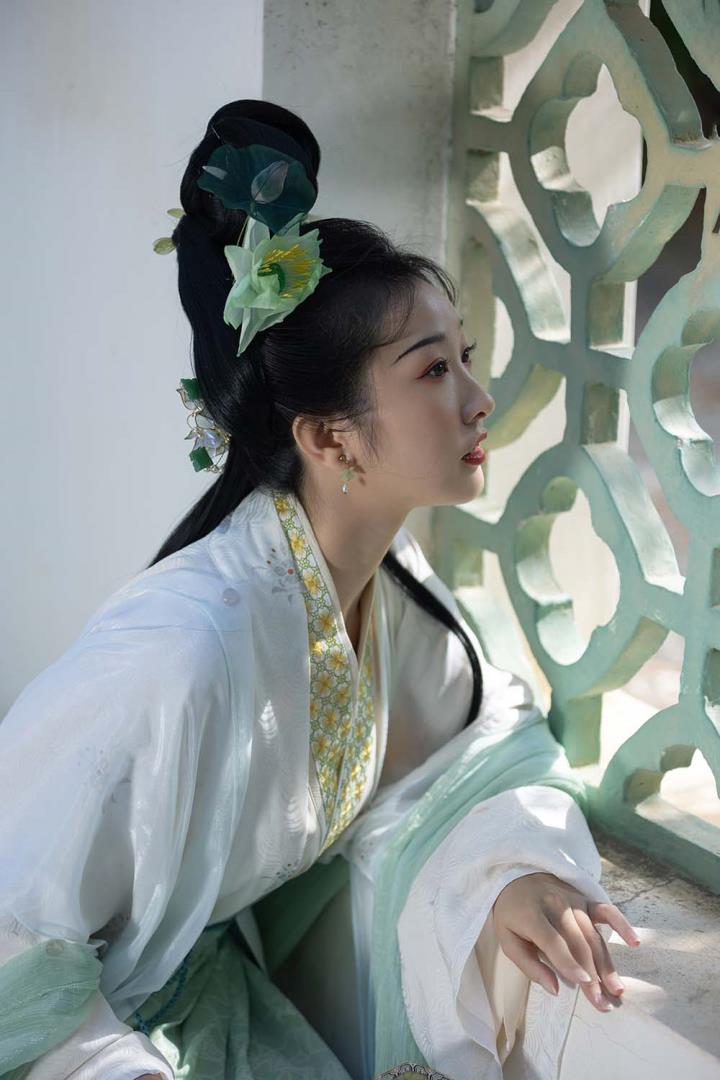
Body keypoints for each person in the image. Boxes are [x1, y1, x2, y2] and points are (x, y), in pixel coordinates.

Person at [0, 100, 640, 1080]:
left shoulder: (389, 583)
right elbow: (13, 928)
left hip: (205, 1010)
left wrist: (509, 873)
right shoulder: (181, 652)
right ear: (328, 437)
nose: (478, 399)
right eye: (434, 370)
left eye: (465, 359)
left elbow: (481, 743)